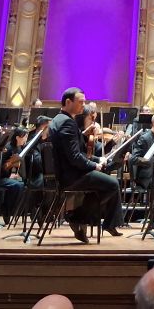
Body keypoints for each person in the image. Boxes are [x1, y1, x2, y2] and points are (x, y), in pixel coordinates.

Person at [49, 87, 124, 243]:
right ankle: (77, 217)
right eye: (80, 102)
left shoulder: (58, 120)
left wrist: (96, 160)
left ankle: (81, 218)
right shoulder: (67, 123)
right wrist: (93, 165)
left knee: (104, 182)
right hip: (71, 175)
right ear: (68, 102)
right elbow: (75, 157)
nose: (83, 105)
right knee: (112, 184)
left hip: (67, 172)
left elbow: (77, 153)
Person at [0, 127, 28, 224]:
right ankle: (6, 209)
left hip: (7, 177)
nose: (26, 139)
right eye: (24, 137)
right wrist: (9, 168)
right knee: (17, 185)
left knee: (23, 185)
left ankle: (12, 210)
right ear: (17, 138)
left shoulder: (19, 149)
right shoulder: (7, 148)